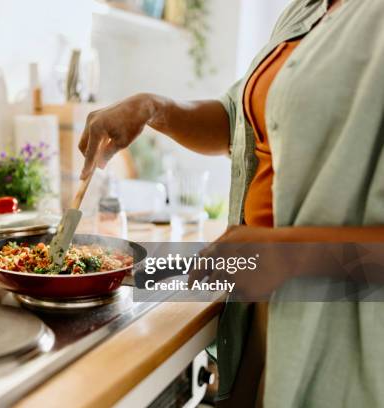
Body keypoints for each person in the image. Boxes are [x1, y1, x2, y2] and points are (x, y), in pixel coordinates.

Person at [78, 0, 384, 406]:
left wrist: (292, 255)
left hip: (343, 328)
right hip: (264, 304)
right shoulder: (307, 9)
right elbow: (237, 117)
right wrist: (152, 107)